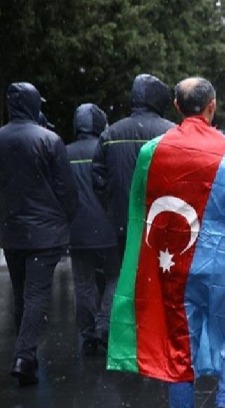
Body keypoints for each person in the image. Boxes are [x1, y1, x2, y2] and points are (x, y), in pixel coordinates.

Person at [105, 77, 225, 408]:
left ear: (177, 108)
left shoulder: (151, 151)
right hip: (222, 264)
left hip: (172, 263)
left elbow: (140, 210)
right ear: (211, 106)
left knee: (178, 347)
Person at [0, 82, 78, 386]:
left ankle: (26, 355)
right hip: (45, 232)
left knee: (22, 294)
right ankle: (24, 355)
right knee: (36, 295)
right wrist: (63, 217)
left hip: (11, 229)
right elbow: (66, 189)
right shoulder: (49, 140)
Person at [92, 73, 175, 255]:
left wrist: (113, 209)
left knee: (129, 276)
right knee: (158, 277)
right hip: (163, 223)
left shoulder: (111, 134)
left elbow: (98, 180)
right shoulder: (173, 133)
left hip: (124, 223)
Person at [67, 103, 119, 356]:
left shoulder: (63, 152)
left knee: (83, 284)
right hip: (108, 229)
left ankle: (87, 334)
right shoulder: (107, 150)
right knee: (113, 277)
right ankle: (104, 325)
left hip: (77, 231)